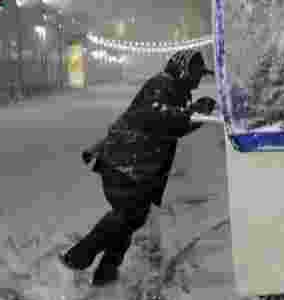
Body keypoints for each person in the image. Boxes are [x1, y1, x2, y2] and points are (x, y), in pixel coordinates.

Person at [60, 48, 217, 285]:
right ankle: (78, 258)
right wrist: (194, 113)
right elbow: (160, 118)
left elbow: (170, 122)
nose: (197, 82)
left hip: (133, 165)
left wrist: (193, 113)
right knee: (127, 214)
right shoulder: (162, 85)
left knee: (133, 217)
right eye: (196, 75)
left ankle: (107, 272)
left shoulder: (173, 91)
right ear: (184, 71)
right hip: (123, 164)